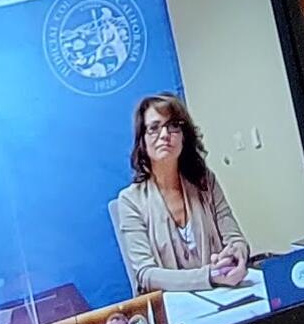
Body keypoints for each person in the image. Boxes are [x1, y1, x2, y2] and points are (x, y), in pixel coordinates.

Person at [108, 92, 252, 293]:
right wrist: (208, 277)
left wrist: (236, 254)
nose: (165, 134)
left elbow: (235, 239)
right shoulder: (130, 201)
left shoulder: (205, 181)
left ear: (184, 136)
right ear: (142, 140)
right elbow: (146, 274)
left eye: (173, 125)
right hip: (174, 304)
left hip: (224, 293)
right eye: (154, 128)